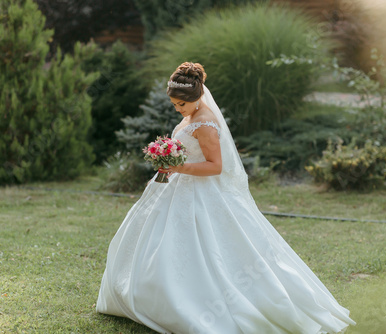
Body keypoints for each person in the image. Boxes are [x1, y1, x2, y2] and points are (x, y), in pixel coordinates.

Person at [96, 62, 356, 334]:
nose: (177, 110)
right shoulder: (191, 115)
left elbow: (215, 166)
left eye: (180, 105)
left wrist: (179, 167)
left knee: (207, 247)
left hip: (200, 190)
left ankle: (194, 302)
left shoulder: (206, 123)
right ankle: (148, 293)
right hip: (179, 185)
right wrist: (170, 160)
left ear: (196, 97)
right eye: (174, 105)